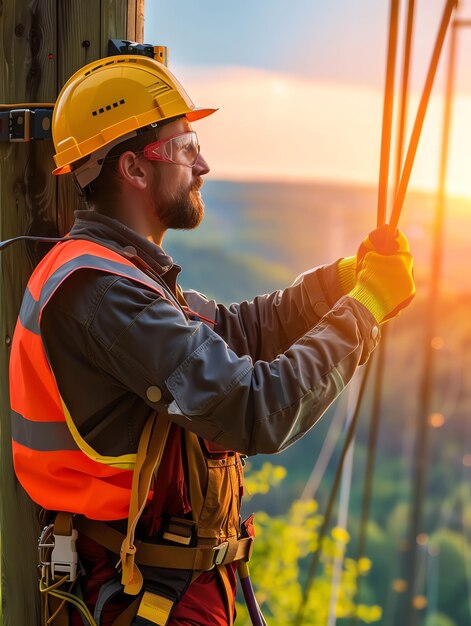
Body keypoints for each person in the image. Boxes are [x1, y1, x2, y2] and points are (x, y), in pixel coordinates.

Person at [9, 54, 415, 626]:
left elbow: (243, 331)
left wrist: (345, 280)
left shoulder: (121, 278)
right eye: (185, 146)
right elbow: (255, 407)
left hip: (160, 589)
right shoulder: (104, 296)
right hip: (144, 595)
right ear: (134, 168)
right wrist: (366, 309)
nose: (203, 164)